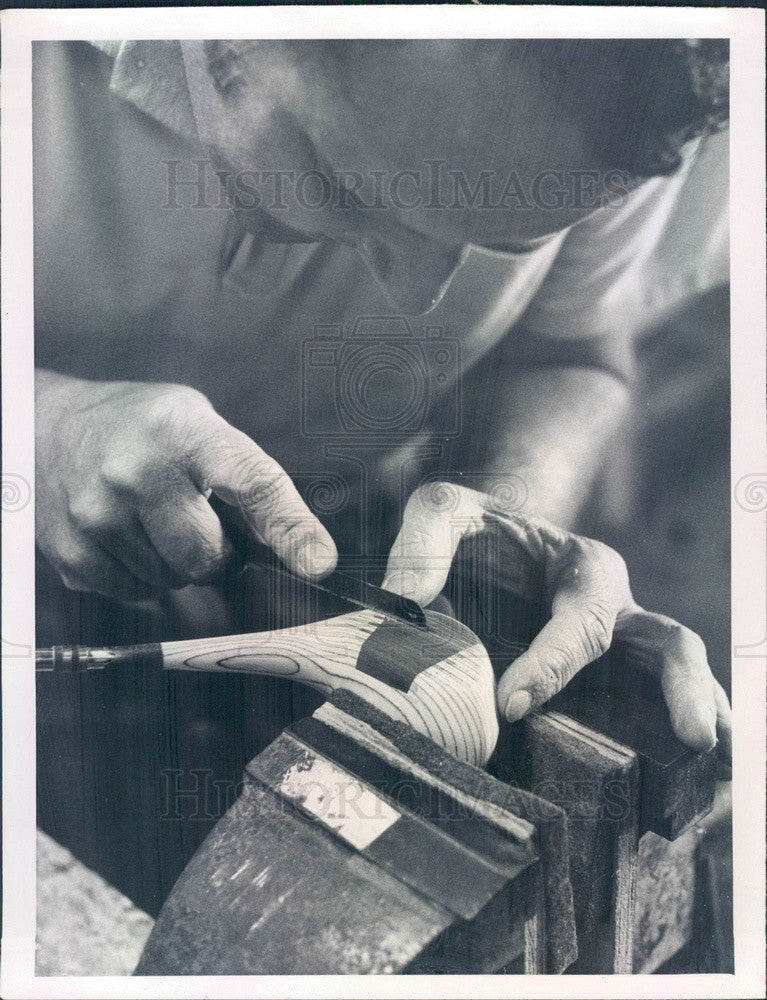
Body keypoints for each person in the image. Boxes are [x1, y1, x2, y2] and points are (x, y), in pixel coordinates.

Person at [34, 38, 731, 764]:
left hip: (322, 551)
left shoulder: (642, 78)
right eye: (345, 186)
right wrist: (43, 427)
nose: (418, 295)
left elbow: (565, 345)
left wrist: (507, 530)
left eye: (500, 244)